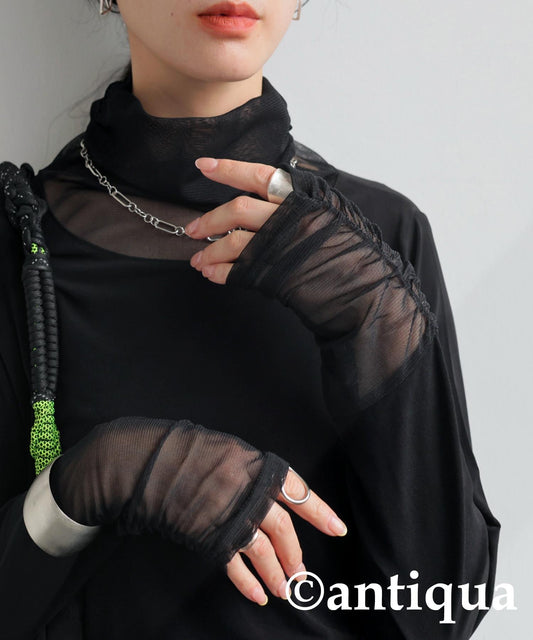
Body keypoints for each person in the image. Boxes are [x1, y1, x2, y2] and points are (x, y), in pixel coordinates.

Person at [0, 0, 501, 638]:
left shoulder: (384, 237)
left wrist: (374, 315)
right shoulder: (19, 245)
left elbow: (444, 610)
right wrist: (109, 470)